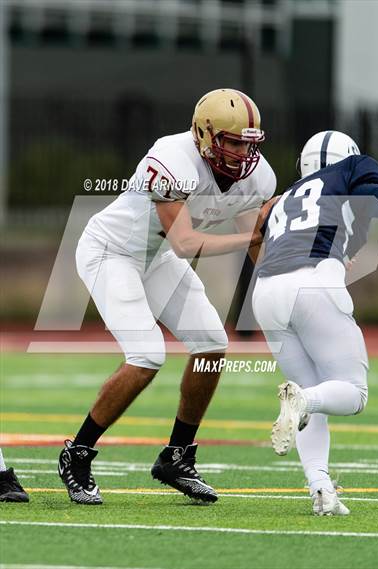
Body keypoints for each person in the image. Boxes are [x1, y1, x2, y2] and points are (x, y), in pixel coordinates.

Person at [58, 88, 276, 505]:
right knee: (147, 355)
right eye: (232, 141)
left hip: (154, 257)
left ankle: (177, 456)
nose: (241, 153)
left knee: (212, 343)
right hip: (112, 250)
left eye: (248, 143)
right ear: (205, 134)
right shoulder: (172, 158)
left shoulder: (259, 175)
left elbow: (255, 240)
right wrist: (252, 234)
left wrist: (277, 283)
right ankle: (78, 452)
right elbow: (185, 242)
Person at [252, 130, 378, 516]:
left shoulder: (284, 200)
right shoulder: (353, 168)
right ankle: (303, 400)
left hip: (265, 292)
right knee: (350, 393)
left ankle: (321, 491)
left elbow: (260, 239)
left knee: (312, 395)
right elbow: (376, 194)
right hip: (311, 282)